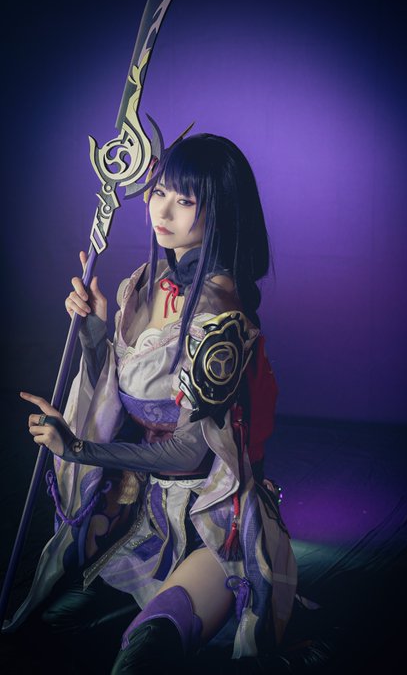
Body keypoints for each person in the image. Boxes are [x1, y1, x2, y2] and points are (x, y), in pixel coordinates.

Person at [14, 133, 297, 673]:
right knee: (54, 623)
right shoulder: (145, 283)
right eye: (159, 192)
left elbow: (190, 453)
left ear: (220, 212)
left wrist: (78, 449)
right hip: (146, 511)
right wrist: (95, 334)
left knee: (144, 653)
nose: (161, 212)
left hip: (214, 521)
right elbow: (120, 391)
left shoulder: (222, 320)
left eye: (184, 200)